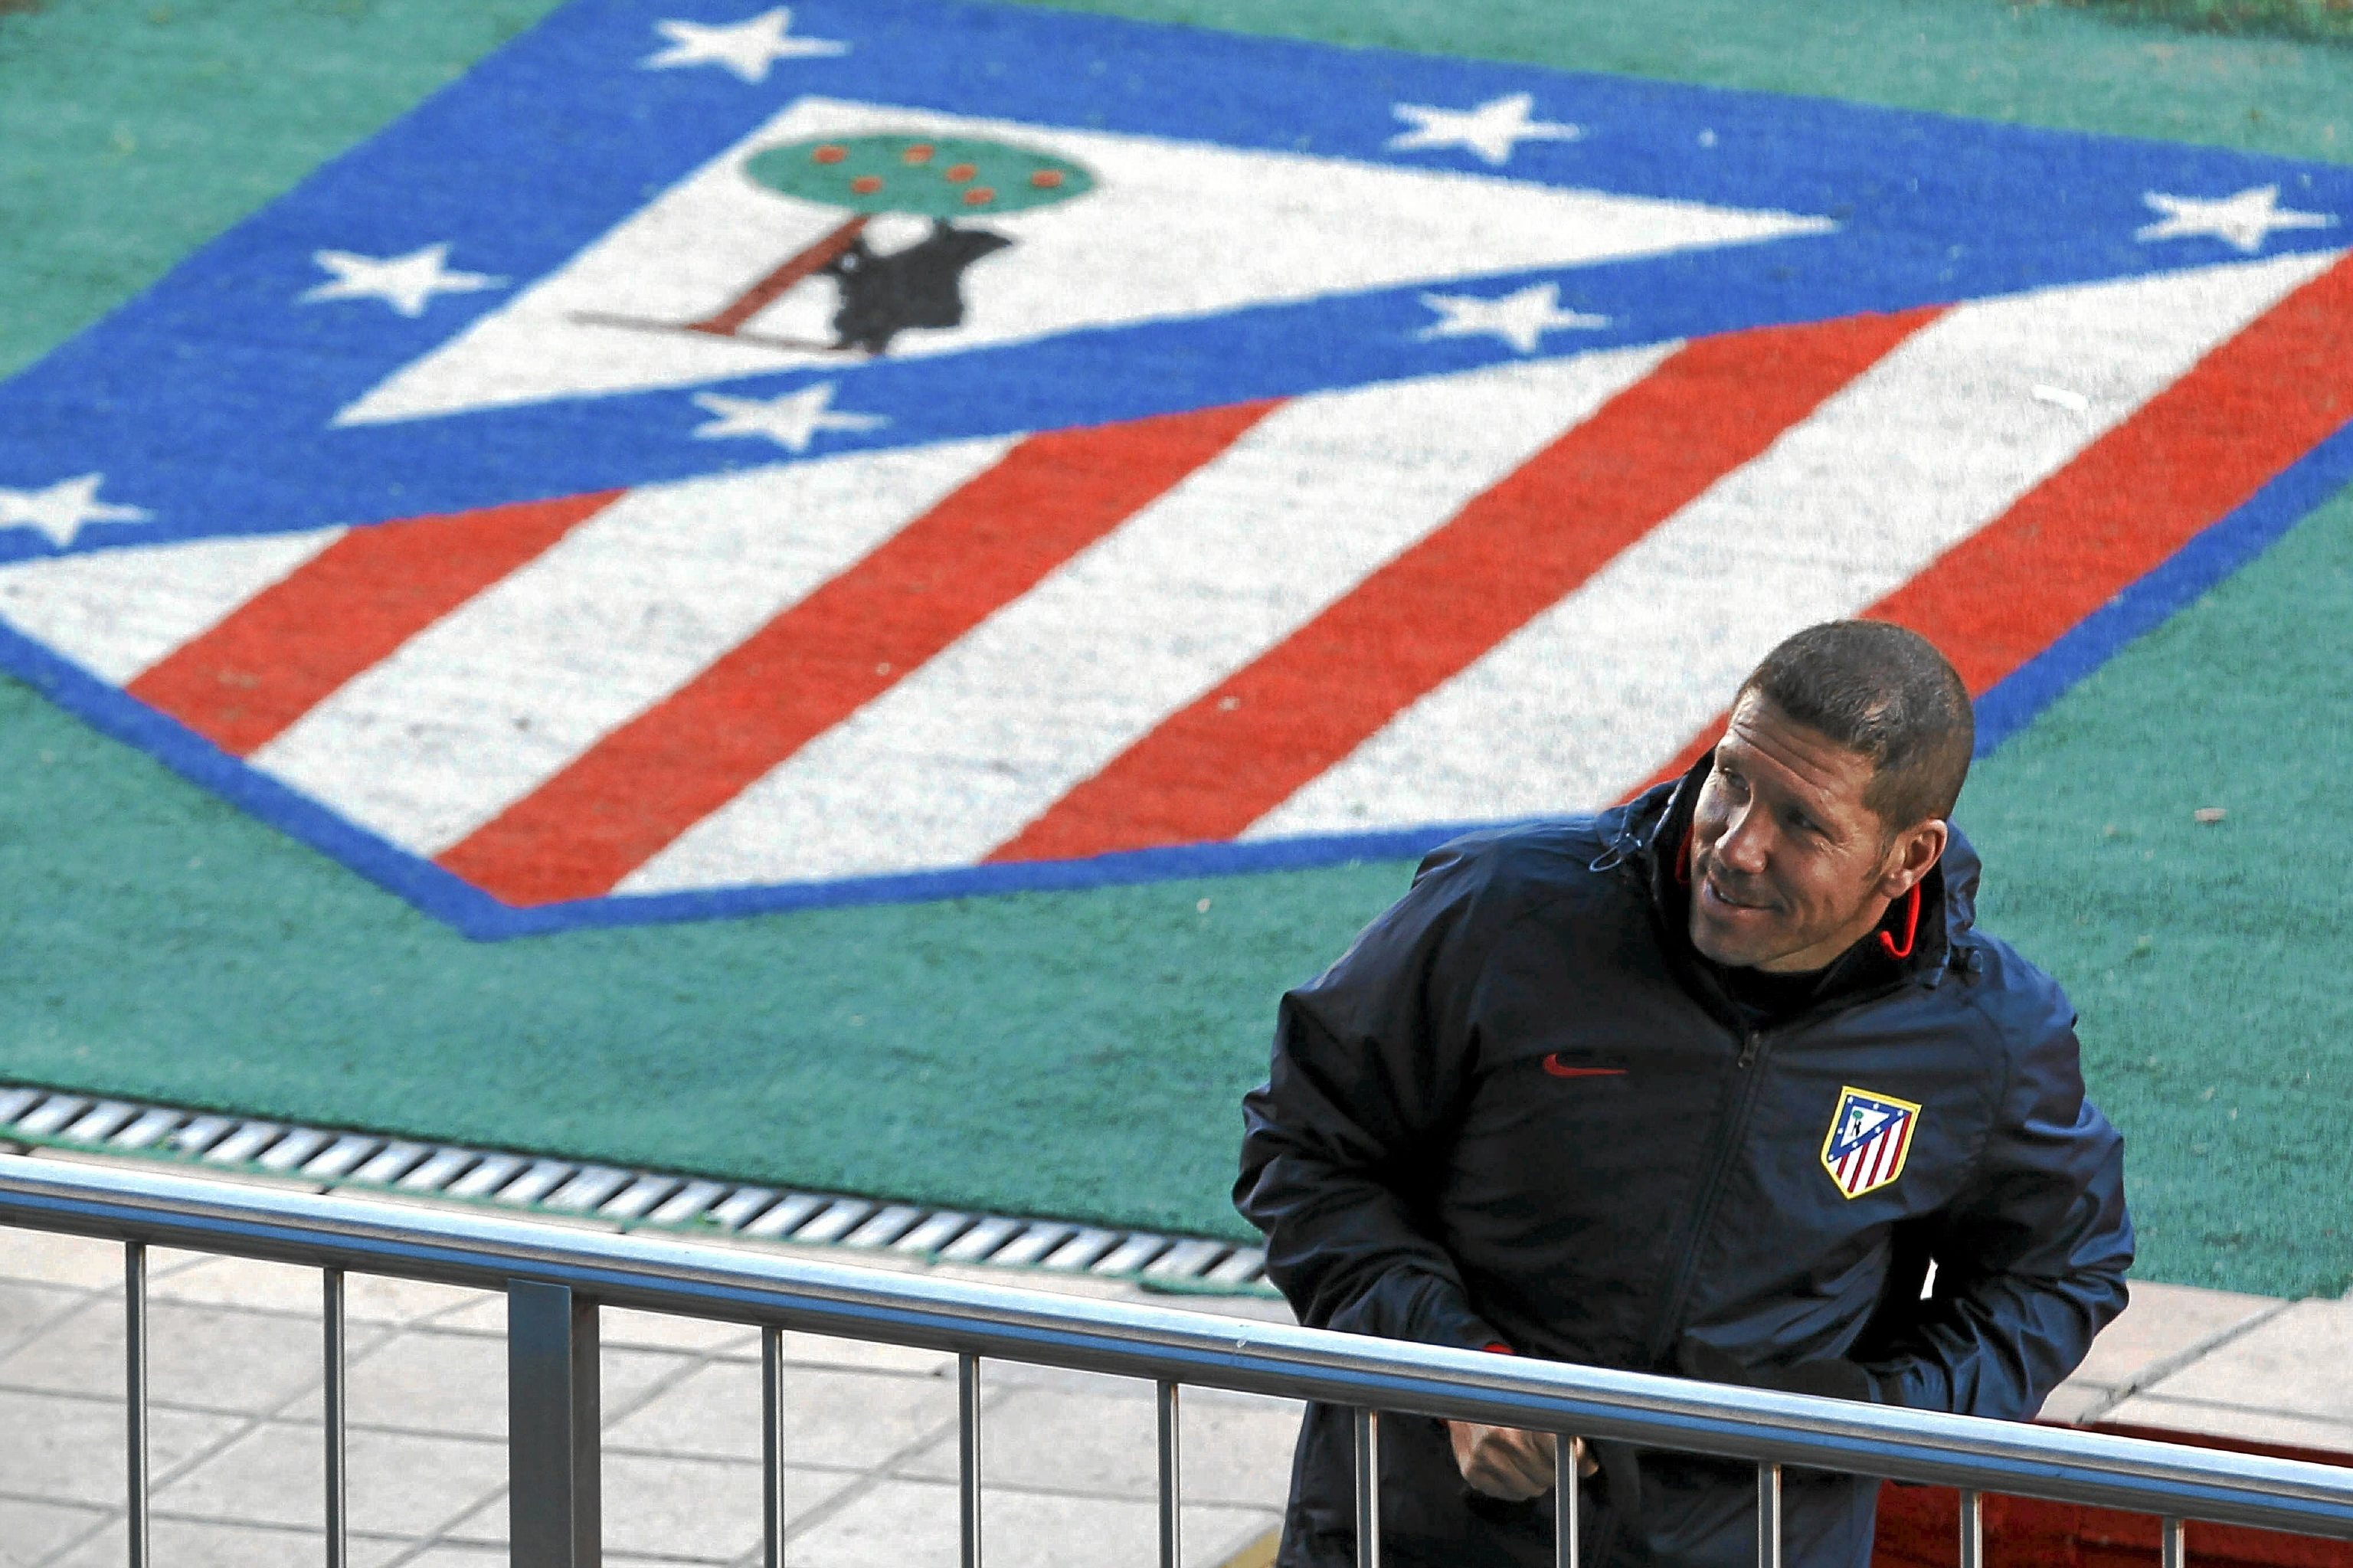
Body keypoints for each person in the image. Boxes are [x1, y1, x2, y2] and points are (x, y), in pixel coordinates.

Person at [1235, 620, 2132, 1568]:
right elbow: (1307, 1146)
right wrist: (1453, 1371)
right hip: (1417, 1534)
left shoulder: (1984, 1035)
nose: (1738, 847)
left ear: (1908, 858)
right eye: (1733, 778)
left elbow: (2062, 1267)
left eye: (1802, 823)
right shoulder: (1505, 912)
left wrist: (1886, 1415)